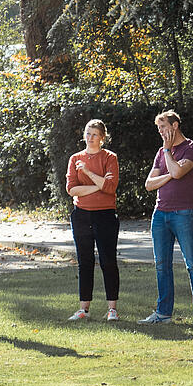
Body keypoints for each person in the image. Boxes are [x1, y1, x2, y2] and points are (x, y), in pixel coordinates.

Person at [139, 109, 193, 325]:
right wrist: (170, 172)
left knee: (192, 263)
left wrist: (169, 155)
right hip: (160, 214)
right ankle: (163, 313)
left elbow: (179, 173)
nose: (161, 132)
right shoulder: (161, 153)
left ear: (175, 125)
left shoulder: (192, 148)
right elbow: (149, 185)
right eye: (158, 128)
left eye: (163, 127)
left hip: (183, 213)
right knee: (162, 264)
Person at [64, 118, 121, 321]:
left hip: (105, 214)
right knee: (84, 261)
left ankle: (112, 309)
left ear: (102, 138)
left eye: (94, 134)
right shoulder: (75, 158)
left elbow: (111, 187)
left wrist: (87, 173)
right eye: (87, 133)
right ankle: (84, 309)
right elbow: (72, 189)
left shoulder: (110, 158)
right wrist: (100, 185)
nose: (90, 138)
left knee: (108, 261)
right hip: (82, 215)